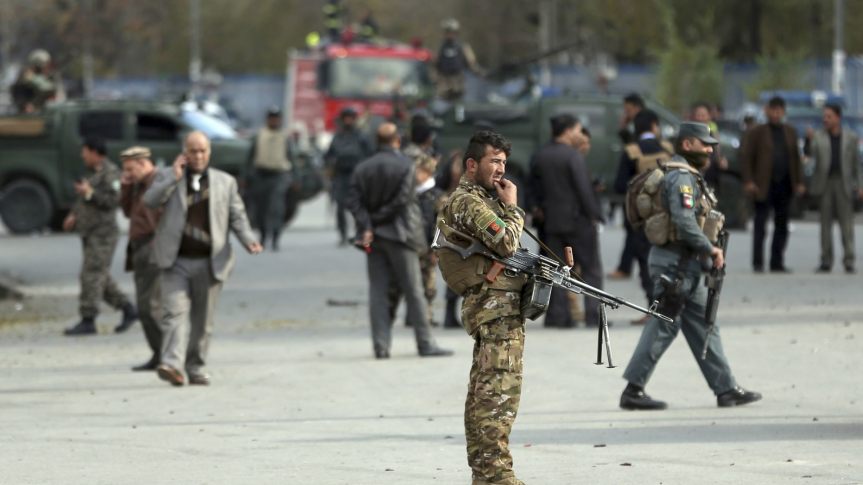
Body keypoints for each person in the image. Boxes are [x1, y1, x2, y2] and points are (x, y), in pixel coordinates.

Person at [619, 122, 762, 411]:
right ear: (687, 145)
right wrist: (710, 248)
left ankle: (726, 389)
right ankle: (633, 390)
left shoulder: (689, 176)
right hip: (676, 265)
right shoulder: (682, 179)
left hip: (687, 266)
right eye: (704, 144)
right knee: (663, 325)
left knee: (704, 324)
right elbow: (684, 223)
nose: (710, 149)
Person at [436, 130, 527, 485]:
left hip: (495, 307)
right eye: (494, 161)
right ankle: (498, 475)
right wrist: (513, 206)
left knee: (484, 392)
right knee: (498, 394)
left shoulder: (481, 200)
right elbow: (506, 243)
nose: (501, 169)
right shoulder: (469, 202)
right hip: (495, 308)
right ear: (472, 164)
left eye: (504, 162)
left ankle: (484, 474)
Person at [144, 131, 262, 386]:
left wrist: (248, 239)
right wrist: (172, 180)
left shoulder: (225, 182)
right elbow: (150, 201)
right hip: (175, 262)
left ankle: (195, 366)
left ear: (209, 153)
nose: (197, 156)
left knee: (202, 322)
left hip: (210, 262)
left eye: (202, 151)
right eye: (192, 151)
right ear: (183, 152)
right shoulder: (167, 177)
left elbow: (237, 216)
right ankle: (172, 365)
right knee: (173, 314)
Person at [346, 122, 452, 359]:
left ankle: (381, 346)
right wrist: (378, 219)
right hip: (402, 235)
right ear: (397, 141)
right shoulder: (406, 165)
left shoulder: (363, 168)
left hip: (374, 238)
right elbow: (403, 200)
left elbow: (353, 201)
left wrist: (368, 224)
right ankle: (425, 343)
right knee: (414, 290)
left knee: (378, 291)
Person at [530, 114, 604, 328]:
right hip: (577, 222)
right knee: (590, 270)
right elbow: (584, 190)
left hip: (550, 224)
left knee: (554, 271)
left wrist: (537, 210)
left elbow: (532, 188)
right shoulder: (573, 157)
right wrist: (595, 215)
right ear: (568, 131)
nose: (580, 135)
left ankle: (558, 317)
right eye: (579, 130)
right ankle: (594, 315)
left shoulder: (540, 155)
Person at [63, 138, 138, 336]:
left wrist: (90, 193)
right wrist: (74, 215)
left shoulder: (111, 173)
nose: (82, 156)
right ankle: (128, 309)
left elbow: (114, 200)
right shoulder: (94, 174)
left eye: (85, 152)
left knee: (91, 274)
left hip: (103, 234)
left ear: (96, 152)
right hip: (90, 232)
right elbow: (85, 200)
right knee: (99, 276)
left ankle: (88, 319)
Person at [612, 109, 673, 323]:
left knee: (645, 263)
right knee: (665, 261)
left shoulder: (631, 151)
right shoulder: (667, 149)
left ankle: (653, 309)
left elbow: (620, 185)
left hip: (639, 219)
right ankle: (668, 306)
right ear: (655, 126)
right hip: (666, 217)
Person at [742, 96, 805, 273]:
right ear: (766, 111)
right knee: (760, 225)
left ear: (783, 112)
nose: (776, 114)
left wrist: (799, 182)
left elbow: (796, 159)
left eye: (779, 110)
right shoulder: (757, 132)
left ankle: (777, 262)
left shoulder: (790, 131)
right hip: (763, 185)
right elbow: (747, 158)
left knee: (782, 224)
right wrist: (748, 181)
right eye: (773, 110)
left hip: (784, 184)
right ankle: (758, 262)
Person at [119, 146, 163, 371]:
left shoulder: (158, 183)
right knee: (145, 306)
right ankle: (159, 353)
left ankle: (169, 354)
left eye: (130, 170)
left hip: (153, 247)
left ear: (144, 164)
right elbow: (127, 212)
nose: (127, 174)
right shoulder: (137, 185)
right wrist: (126, 186)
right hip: (138, 249)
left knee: (150, 307)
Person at [806, 104, 863, 273]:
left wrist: (860, 185)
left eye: (829, 116)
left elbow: (856, 165)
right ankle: (826, 259)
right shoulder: (818, 136)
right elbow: (810, 153)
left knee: (847, 224)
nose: (826, 119)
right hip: (825, 184)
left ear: (838, 118)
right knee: (825, 225)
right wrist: (809, 140)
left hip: (843, 183)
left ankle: (849, 259)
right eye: (824, 116)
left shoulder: (851, 138)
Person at [325, 107, 373, 246]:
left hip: (357, 176)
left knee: (358, 207)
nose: (348, 121)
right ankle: (343, 234)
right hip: (340, 177)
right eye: (346, 118)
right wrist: (330, 165)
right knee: (340, 207)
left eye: (350, 118)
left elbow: (370, 155)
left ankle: (360, 233)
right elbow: (329, 155)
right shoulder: (337, 137)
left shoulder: (362, 136)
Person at [247, 107, 293, 250]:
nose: (274, 120)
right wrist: (246, 176)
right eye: (271, 118)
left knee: (276, 208)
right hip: (261, 176)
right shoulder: (259, 135)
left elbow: (291, 157)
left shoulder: (285, 137)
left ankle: (275, 237)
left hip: (278, 176)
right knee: (261, 209)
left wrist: (296, 177)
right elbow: (250, 157)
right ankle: (263, 235)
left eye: (276, 118)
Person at [435, 18, 483, 102]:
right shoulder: (441, 48)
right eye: (447, 32)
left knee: (460, 101)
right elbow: (435, 64)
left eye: (452, 32)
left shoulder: (462, 47)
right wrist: (435, 78)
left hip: (458, 81)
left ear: (456, 33)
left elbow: (471, 62)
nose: (449, 34)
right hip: (444, 82)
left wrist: (479, 72)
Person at [11, 49, 58, 113]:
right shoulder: (24, 76)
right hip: (28, 112)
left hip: (44, 110)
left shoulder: (49, 77)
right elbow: (18, 93)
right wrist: (25, 105)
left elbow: (49, 90)